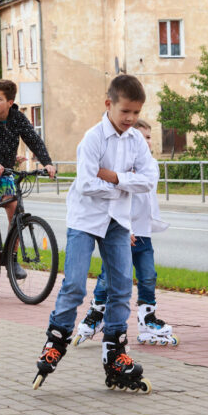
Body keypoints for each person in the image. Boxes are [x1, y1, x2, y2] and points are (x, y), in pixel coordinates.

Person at [33, 74, 158, 392]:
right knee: (74, 284)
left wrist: (115, 177)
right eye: (125, 111)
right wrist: (127, 181)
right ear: (109, 105)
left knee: (120, 289)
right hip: (85, 220)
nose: (130, 119)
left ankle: (115, 351)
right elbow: (87, 183)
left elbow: (150, 179)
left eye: (135, 113)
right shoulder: (92, 139)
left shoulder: (134, 141)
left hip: (117, 221)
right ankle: (56, 339)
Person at [74, 119, 176, 346]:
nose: (146, 142)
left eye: (149, 137)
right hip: (122, 230)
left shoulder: (151, 165)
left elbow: (146, 192)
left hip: (143, 232)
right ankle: (96, 314)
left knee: (148, 275)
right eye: (142, 137)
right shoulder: (118, 167)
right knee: (109, 276)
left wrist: (119, 178)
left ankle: (147, 319)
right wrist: (124, 228)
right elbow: (118, 201)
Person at [0, 79, 56, 278]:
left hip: (6, 170)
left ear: (10, 102)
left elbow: (33, 140)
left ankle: (12, 258)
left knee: (15, 210)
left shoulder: (18, 118)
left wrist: (47, 163)